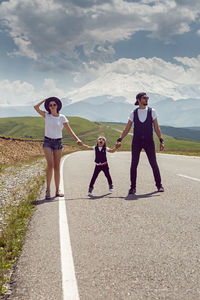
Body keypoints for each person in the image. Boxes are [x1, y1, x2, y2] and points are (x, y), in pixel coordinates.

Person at [116, 92, 164, 195]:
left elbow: (156, 127)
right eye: (144, 98)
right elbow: (127, 128)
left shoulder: (152, 111)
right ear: (139, 100)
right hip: (137, 141)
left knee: (153, 163)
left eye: (147, 98)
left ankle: (159, 185)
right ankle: (132, 188)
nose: (147, 99)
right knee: (134, 164)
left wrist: (161, 140)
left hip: (149, 141)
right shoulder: (133, 113)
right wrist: (120, 139)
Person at [34, 97, 82, 199]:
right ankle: (48, 190)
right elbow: (35, 107)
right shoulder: (46, 115)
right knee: (50, 165)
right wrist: (46, 99)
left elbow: (69, 130)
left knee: (57, 166)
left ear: (57, 106)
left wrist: (77, 139)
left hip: (58, 142)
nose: (52, 107)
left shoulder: (62, 117)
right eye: (50, 105)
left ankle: (57, 190)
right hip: (47, 141)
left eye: (54, 105)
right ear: (48, 106)